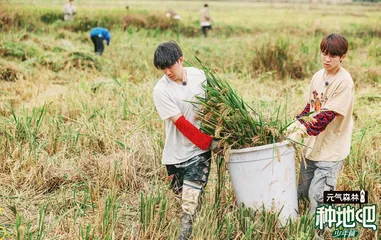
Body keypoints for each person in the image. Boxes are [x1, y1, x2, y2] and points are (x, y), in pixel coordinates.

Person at [286, 33, 354, 231]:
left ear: (343, 56)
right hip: (311, 149)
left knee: (319, 195)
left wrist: (300, 132)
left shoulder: (344, 82)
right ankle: (301, 229)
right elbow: (311, 107)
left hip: (331, 150)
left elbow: (325, 117)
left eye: (332, 56)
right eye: (324, 54)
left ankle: (318, 233)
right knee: (302, 191)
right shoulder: (318, 76)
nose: (327, 59)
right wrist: (296, 122)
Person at [152, 41, 218, 240]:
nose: (167, 72)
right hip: (175, 155)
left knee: (189, 204)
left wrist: (212, 136)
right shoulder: (161, 91)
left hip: (198, 153)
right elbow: (181, 124)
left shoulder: (200, 76)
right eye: (163, 69)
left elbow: (214, 103)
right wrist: (209, 142)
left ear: (181, 60)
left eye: (170, 66)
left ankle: (184, 237)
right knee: (182, 201)